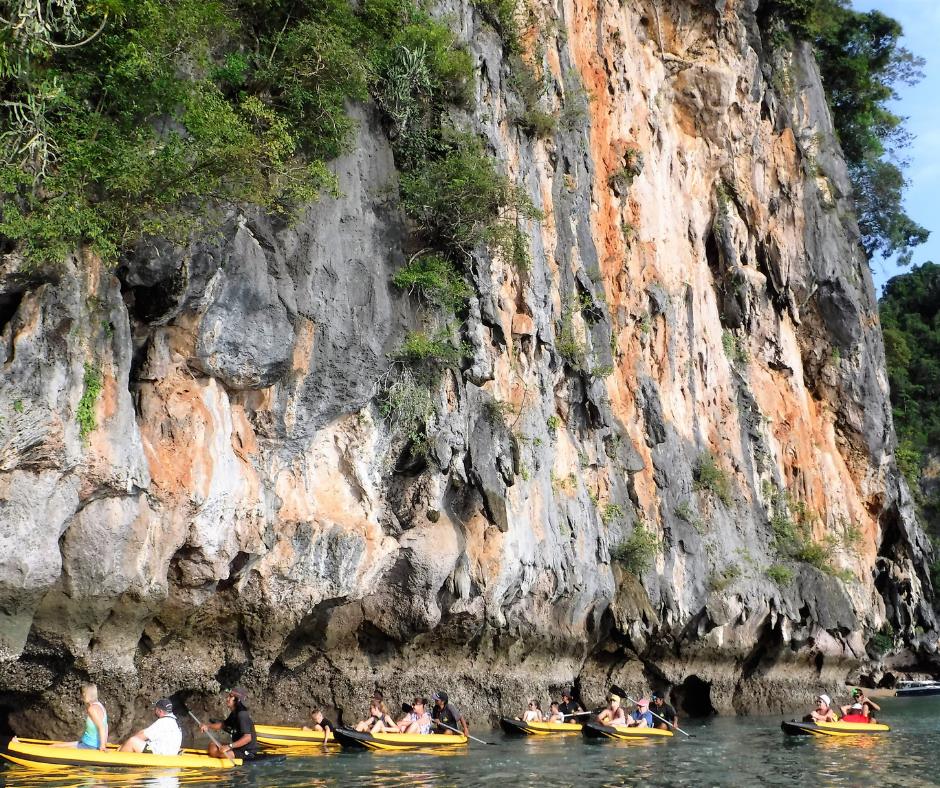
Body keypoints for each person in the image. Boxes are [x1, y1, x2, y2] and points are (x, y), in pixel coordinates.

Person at [200, 687, 258, 760]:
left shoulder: (242, 715)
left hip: (247, 752)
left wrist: (229, 746)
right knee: (212, 745)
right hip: (237, 747)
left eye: (230, 697)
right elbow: (223, 725)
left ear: (237, 700)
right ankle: (219, 754)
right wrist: (207, 726)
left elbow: (247, 738)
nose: (227, 699)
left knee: (217, 752)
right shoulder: (234, 713)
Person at [55, 683, 108, 751]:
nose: (82, 695)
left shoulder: (92, 709)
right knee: (55, 746)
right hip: (86, 743)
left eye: (83, 693)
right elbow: (106, 725)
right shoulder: (101, 706)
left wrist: (102, 746)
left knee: (56, 748)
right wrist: (104, 742)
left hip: (90, 746)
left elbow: (101, 727)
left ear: (87, 694)